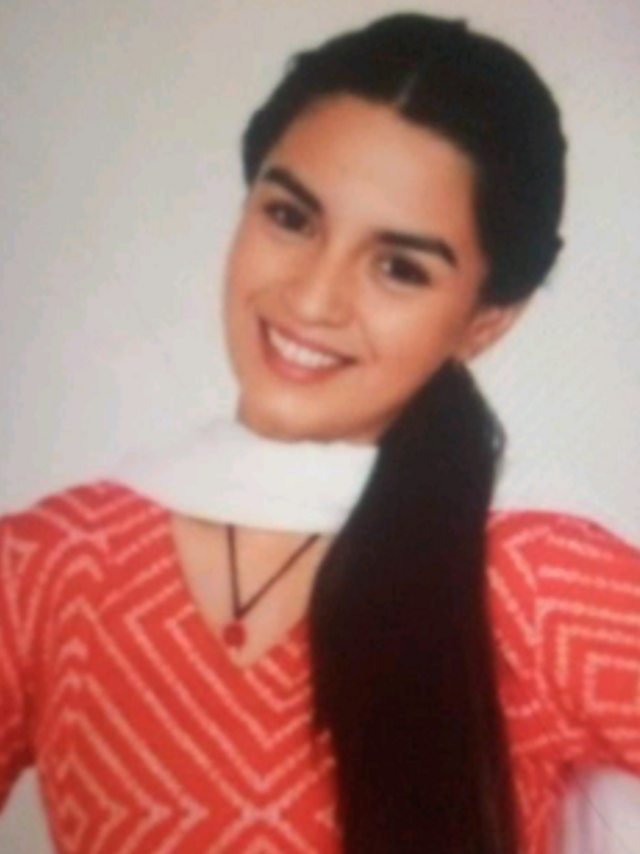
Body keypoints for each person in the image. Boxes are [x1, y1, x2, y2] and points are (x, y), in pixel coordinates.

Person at [1, 12, 639, 854]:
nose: (311, 298)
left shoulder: (541, 582)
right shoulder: (48, 571)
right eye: (291, 218)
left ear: (485, 321)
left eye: (399, 268)